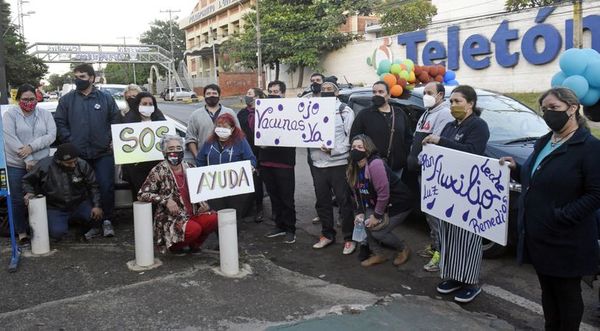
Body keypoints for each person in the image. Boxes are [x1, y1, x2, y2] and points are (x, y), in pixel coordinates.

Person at [500, 87, 600, 329]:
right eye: (544, 109)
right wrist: (517, 168)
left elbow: (596, 194)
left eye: (554, 108)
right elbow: (537, 176)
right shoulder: (546, 140)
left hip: (567, 239)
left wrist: (563, 217)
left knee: (566, 295)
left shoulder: (589, 147)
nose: (548, 114)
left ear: (573, 108)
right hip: (539, 235)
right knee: (548, 292)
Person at [422, 85, 490, 303]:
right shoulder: (450, 126)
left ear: (470, 104)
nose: (453, 105)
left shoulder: (478, 126)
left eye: (458, 101)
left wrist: (440, 141)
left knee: (467, 239)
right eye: (451, 102)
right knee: (449, 235)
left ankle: (471, 282)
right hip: (448, 190)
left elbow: (473, 152)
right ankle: (454, 276)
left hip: (468, 192)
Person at [54, 63, 120, 239]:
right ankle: (92, 224)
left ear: (92, 78)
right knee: (83, 190)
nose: (78, 80)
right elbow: (60, 122)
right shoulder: (67, 100)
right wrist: (70, 141)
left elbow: (116, 121)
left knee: (106, 187)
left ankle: (107, 221)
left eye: (82, 77)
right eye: (76, 77)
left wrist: (113, 140)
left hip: (103, 153)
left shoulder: (106, 99)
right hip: (79, 156)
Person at [138, 135, 218, 255]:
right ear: (164, 152)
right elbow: (142, 194)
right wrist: (165, 200)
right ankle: (175, 247)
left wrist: (204, 203)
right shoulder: (158, 170)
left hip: (193, 212)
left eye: (178, 148)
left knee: (214, 218)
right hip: (172, 218)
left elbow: (201, 190)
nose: (175, 151)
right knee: (194, 229)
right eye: (171, 149)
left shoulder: (190, 167)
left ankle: (195, 245)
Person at [407, 82, 454, 273]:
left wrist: (418, 159)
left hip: (432, 171)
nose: (426, 95)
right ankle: (435, 245)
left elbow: (436, 143)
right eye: (424, 92)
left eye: (430, 92)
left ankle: (441, 253)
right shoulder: (428, 111)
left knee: (436, 215)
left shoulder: (444, 113)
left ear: (441, 95)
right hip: (422, 171)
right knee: (429, 212)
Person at [347, 134, 413, 267]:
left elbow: (384, 194)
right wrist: (360, 212)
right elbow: (357, 193)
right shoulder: (353, 166)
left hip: (398, 203)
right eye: (354, 147)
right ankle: (378, 254)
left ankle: (403, 248)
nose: (356, 150)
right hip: (376, 202)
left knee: (379, 232)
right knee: (365, 223)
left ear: (368, 149)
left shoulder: (375, 164)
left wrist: (377, 216)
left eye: (360, 147)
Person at [3, 84, 56, 244]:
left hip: (41, 163)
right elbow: (10, 139)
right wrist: (27, 159)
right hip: (16, 164)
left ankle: (41, 229)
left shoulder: (45, 114)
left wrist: (31, 147)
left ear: (37, 98)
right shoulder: (9, 115)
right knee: (18, 200)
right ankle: (21, 232)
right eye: (25, 99)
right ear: (18, 99)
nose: (29, 102)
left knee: (42, 197)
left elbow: (51, 135)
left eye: (32, 99)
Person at [309, 81, 356, 254]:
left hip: (338, 164)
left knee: (344, 202)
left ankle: (349, 238)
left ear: (337, 93)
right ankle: (327, 234)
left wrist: (334, 150)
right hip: (317, 164)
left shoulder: (345, 111)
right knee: (322, 202)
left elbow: (351, 139)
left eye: (330, 89)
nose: (326, 92)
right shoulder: (311, 111)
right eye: (323, 90)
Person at [22, 143, 103, 241]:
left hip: (79, 203)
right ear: (59, 161)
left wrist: (96, 205)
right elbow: (27, 180)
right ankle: (62, 227)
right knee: (57, 233)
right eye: (69, 163)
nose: (73, 165)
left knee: (96, 217)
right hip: (55, 207)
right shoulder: (44, 165)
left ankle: (80, 231)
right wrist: (29, 192)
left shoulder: (82, 164)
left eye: (75, 161)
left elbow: (93, 185)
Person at [196, 113, 257, 218]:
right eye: (219, 126)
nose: (221, 129)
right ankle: (220, 234)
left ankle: (234, 233)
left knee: (233, 215)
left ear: (232, 128)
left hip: (235, 187)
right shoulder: (209, 142)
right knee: (217, 215)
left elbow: (251, 159)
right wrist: (204, 175)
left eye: (225, 127)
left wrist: (251, 166)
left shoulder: (240, 141)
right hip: (214, 187)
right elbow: (200, 160)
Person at [350, 81, 413, 175]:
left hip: (396, 168)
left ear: (388, 95)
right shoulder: (364, 114)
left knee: (394, 190)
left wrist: (403, 156)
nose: (377, 95)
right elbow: (354, 138)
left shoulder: (399, 113)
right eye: (374, 92)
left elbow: (408, 137)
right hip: (372, 167)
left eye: (381, 92)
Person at [261, 80, 297, 244]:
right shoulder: (263, 111)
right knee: (274, 197)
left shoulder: (291, 111)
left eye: (276, 91)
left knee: (287, 198)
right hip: (266, 161)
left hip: (284, 162)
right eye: (270, 91)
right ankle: (279, 226)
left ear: (283, 93)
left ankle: (290, 229)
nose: (273, 94)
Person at [120, 91, 167, 201]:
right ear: (138, 105)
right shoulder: (128, 120)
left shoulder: (160, 119)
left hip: (156, 166)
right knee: (141, 196)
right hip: (136, 168)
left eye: (150, 104)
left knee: (158, 195)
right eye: (144, 104)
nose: (148, 107)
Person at [237, 87, 267, 222]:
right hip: (247, 150)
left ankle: (260, 207)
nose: (246, 96)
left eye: (249, 94)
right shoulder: (242, 113)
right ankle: (248, 206)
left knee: (260, 180)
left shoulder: (265, 112)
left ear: (257, 97)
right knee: (249, 179)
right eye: (247, 93)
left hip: (263, 150)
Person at [186, 84, 239, 159]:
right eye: (208, 94)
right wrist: (197, 157)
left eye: (214, 93)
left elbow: (238, 135)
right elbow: (190, 138)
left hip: (228, 158)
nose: (211, 96)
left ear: (219, 96)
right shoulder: (195, 115)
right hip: (205, 158)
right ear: (204, 96)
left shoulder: (230, 112)